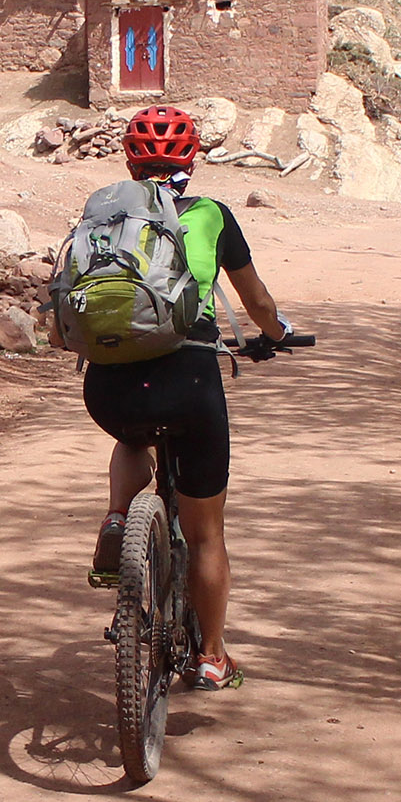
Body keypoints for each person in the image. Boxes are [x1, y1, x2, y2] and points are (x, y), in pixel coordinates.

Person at [82, 104, 292, 692]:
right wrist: (277, 337)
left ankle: (119, 515)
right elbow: (259, 306)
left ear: (128, 159)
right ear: (192, 160)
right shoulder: (212, 216)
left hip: (110, 383)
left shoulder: (103, 213)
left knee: (132, 435)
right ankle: (212, 657)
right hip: (189, 381)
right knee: (206, 536)